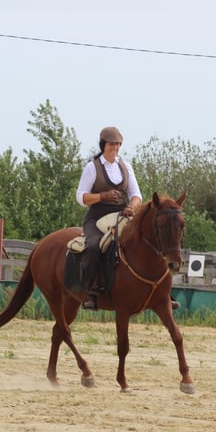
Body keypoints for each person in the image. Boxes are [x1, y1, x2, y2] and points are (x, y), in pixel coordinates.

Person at [75, 126, 142, 310]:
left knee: (147, 240)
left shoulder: (126, 167)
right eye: (112, 144)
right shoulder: (92, 167)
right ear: (104, 144)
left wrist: (132, 206)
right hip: (97, 217)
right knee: (94, 246)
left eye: (118, 144)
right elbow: (81, 197)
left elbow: (136, 194)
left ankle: (160, 290)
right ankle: (90, 291)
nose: (115, 148)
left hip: (122, 215)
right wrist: (102, 197)